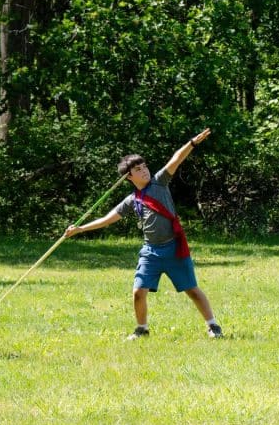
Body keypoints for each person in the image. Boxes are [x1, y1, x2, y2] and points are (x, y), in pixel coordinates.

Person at [64, 129, 223, 340]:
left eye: (145, 166)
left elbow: (176, 159)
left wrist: (192, 143)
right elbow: (108, 218)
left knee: (192, 290)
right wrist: (80, 229)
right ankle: (142, 329)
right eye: (138, 169)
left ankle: (213, 326)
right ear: (129, 177)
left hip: (174, 248)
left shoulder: (159, 182)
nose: (145, 171)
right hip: (151, 251)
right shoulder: (132, 200)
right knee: (138, 292)